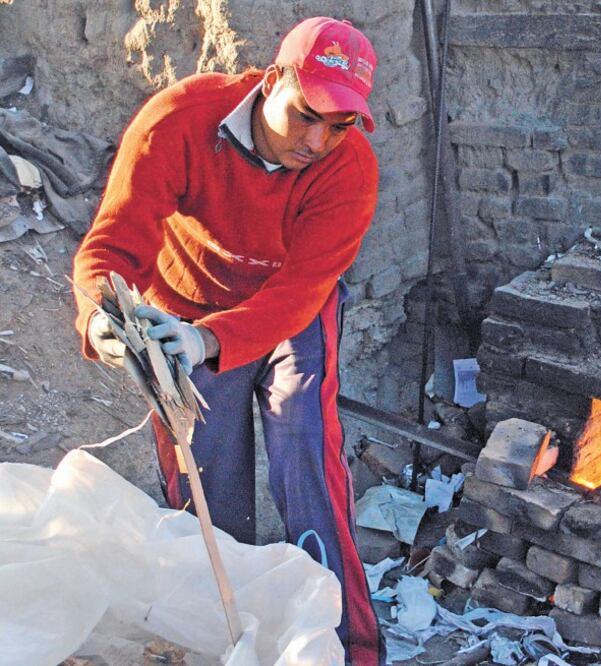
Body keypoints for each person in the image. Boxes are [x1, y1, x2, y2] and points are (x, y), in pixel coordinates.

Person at [72, 17, 383, 665]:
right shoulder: (179, 121)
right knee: (203, 480)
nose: (317, 139)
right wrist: (104, 312)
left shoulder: (347, 168)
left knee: (303, 445)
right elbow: (116, 241)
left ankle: (345, 645)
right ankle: (217, 635)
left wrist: (206, 343)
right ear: (272, 81)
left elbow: (298, 292)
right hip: (183, 299)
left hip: (291, 310)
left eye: (340, 123)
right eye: (305, 115)